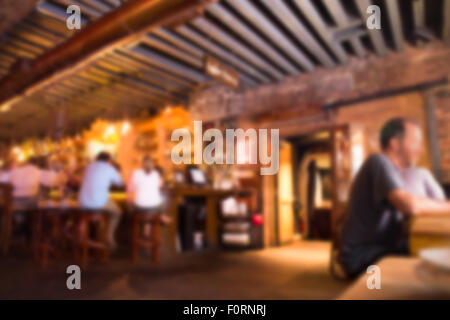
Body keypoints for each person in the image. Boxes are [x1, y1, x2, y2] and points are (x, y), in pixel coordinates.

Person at [338, 118, 450, 278]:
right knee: (430, 271)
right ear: (395, 143)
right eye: (415, 142)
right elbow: (408, 205)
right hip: (365, 259)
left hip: (380, 252)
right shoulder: (378, 162)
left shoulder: (393, 173)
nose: (420, 150)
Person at [78, 152, 123, 249]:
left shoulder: (88, 167)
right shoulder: (109, 168)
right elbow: (120, 183)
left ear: (96, 159)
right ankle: (108, 238)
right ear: (108, 161)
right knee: (117, 212)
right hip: (99, 203)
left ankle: (97, 236)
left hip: (83, 203)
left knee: (96, 215)